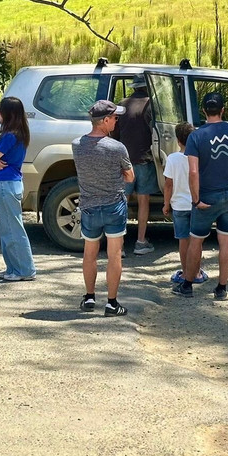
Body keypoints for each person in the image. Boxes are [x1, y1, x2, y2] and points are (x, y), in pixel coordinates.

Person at [181, 92, 228, 300]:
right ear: (223, 110)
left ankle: (187, 284)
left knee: (196, 241)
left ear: (204, 111)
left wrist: (196, 199)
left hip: (206, 196)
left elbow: (194, 172)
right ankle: (222, 288)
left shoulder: (195, 136)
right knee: (226, 240)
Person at [73, 100, 134, 316]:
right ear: (105, 120)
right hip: (113, 206)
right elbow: (130, 177)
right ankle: (111, 303)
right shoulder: (118, 148)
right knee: (114, 254)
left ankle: (89, 298)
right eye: (115, 118)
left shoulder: (77, 145)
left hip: (89, 205)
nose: (117, 121)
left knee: (90, 253)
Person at [0, 96, 36, 281]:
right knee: (8, 229)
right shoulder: (20, 132)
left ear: (7, 113)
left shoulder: (10, 136)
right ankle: (13, 268)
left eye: (0, 110)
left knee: (12, 229)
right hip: (12, 182)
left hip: (6, 184)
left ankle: (24, 270)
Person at [115, 75, 157, 255]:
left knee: (122, 200)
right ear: (147, 87)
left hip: (125, 160)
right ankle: (141, 241)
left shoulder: (121, 104)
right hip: (145, 159)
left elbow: (114, 132)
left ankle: (120, 245)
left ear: (134, 88)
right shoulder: (151, 105)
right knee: (143, 200)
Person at [163, 123, 207, 285]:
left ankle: (185, 272)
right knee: (197, 240)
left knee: (183, 240)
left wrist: (166, 204)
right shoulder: (199, 158)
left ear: (178, 140)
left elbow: (169, 184)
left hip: (179, 205)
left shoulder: (172, 158)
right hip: (197, 204)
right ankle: (196, 272)